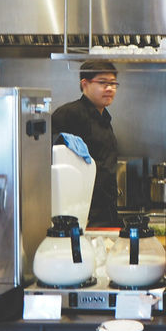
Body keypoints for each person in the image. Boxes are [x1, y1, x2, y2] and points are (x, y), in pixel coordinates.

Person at [52, 60, 120, 228]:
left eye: (113, 83)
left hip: (106, 212)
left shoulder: (105, 118)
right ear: (85, 84)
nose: (109, 88)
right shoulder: (69, 114)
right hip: (82, 215)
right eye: (103, 83)